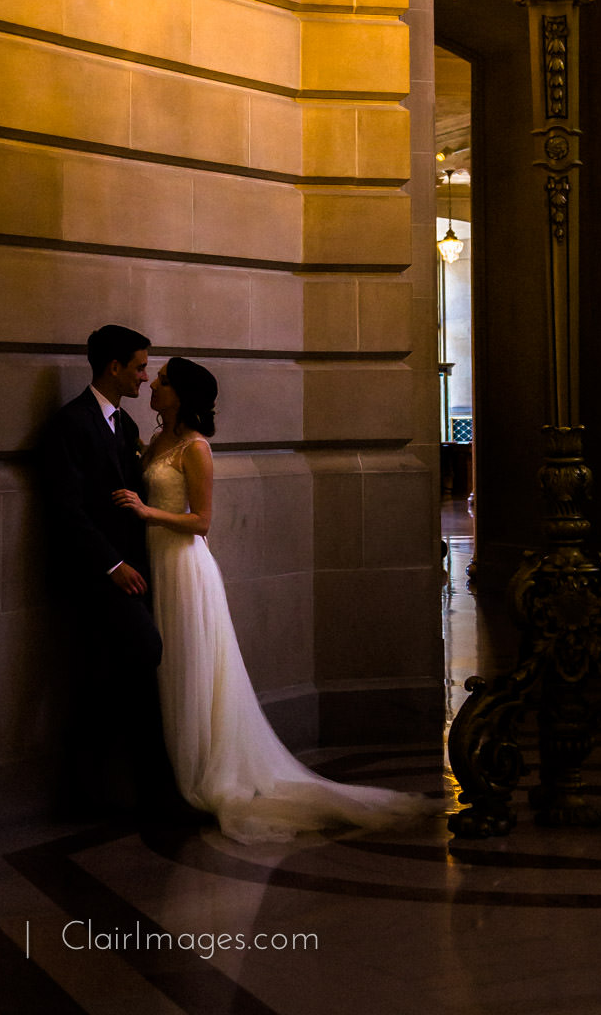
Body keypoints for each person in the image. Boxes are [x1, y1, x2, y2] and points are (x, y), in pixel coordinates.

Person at [113, 357, 432, 844]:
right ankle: (171, 772)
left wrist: (145, 510)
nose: (152, 383)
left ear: (181, 393)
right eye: (151, 375)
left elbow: (202, 523)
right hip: (154, 563)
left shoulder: (196, 448)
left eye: (161, 380)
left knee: (189, 666)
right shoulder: (157, 440)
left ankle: (199, 774)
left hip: (183, 566)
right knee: (168, 670)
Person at [36, 323, 185, 821]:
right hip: (96, 578)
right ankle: (133, 790)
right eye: (140, 367)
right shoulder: (69, 424)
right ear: (114, 367)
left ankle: (127, 792)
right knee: (140, 654)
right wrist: (112, 564)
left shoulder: (125, 428)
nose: (146, 378)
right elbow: (66, 508)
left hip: (134, 574)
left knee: (116, 676)